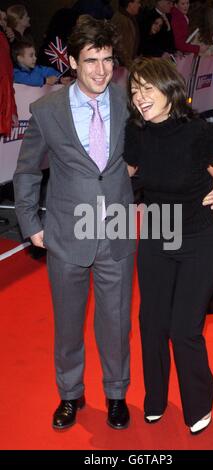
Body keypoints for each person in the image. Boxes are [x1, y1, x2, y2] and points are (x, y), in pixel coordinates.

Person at [13, 15, 135, 431]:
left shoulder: (126, 98)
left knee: (117, 320)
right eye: (91, 60)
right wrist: (30, 224)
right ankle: (70, 394)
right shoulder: (47, 111)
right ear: (74, 64)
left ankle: (116, 393)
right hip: (68, 231)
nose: (101, 69)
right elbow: (27, 171)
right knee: (68, 323)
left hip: (117, 227)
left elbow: (159, 143)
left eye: (107, 59)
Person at [124, 57, 213, 434]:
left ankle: (198, 403)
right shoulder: (136, 133)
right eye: (135, 89)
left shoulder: (200, 134)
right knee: (150, 322)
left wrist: (207, 227)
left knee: (184, 328)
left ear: (169, 88)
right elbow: (126, 178)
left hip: (199, 242)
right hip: (156, 237)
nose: (140, 97)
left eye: (148, 88)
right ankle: (155, 398)